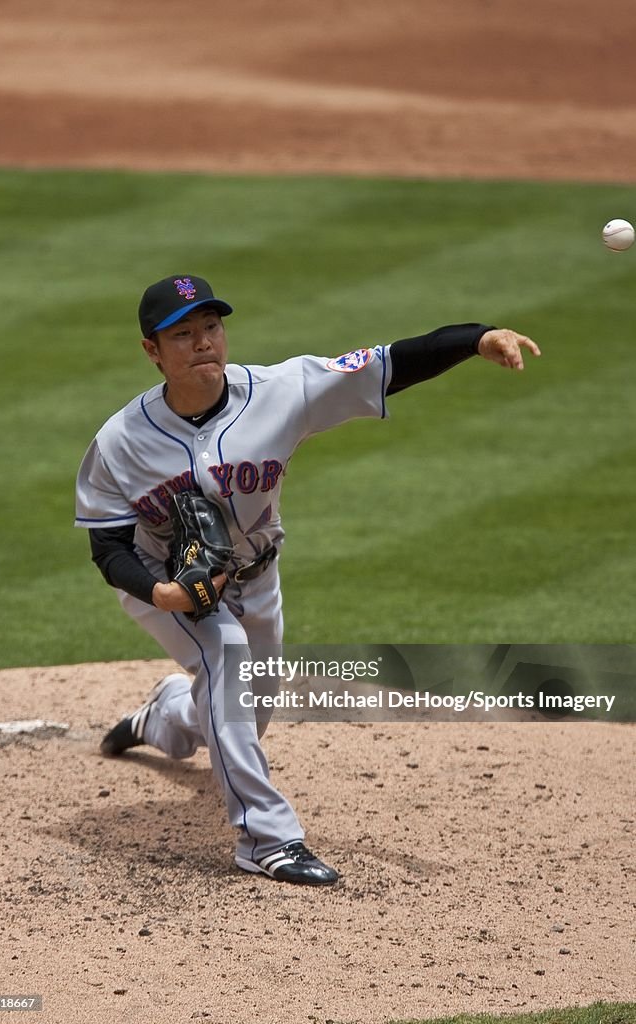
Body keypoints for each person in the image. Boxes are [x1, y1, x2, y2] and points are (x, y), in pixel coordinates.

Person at [75, 274, 540, 886]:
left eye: (210, 327)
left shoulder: (280, 389)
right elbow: (107, 545)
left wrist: (477, 339)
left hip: (258, 575)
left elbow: (389, 362)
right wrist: (161, 592)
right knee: (228, 657)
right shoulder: (120, 441)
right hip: (167, 582)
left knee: (244, 707)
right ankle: (268, 839)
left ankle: (165, 716)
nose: (203, 343)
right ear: (152, 351)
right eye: (182, 335)